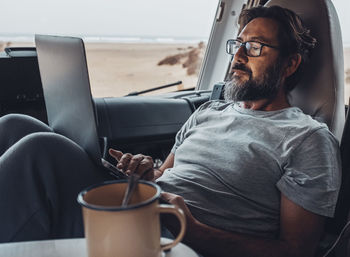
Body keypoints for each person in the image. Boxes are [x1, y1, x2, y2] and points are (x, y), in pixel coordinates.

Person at [0, 5, 341, 257]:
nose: (237, 57)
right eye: (236, 45)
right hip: (138, 208)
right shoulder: (209, 112)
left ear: (291, 64)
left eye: (254, 48)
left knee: (40, 152)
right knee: (16, 125)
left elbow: (297, 250)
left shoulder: (307, 138)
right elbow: (166, 174)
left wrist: (193, 229)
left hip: (172, 241)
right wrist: (146, 170)